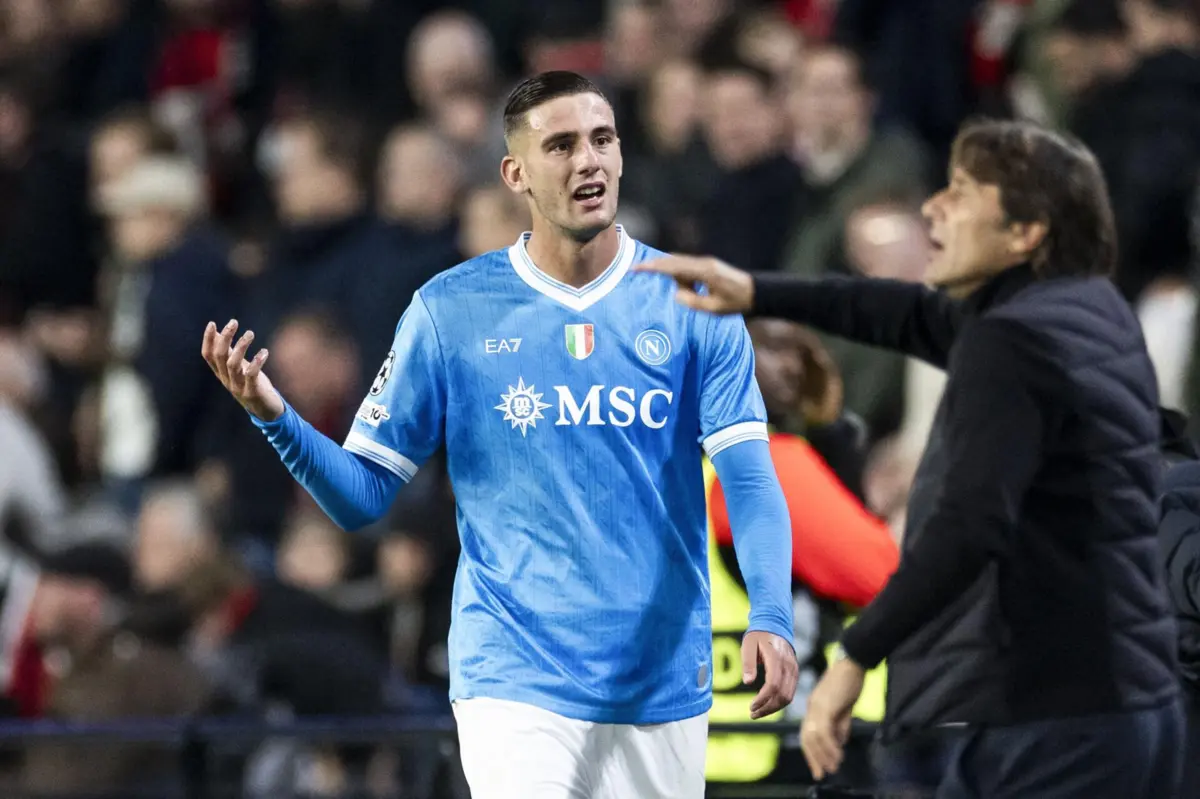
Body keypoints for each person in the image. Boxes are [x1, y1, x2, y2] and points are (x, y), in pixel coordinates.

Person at [200, 70, 798, 799]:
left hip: (661, 671)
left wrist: (770, 612)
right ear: (515, 172)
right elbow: (362, 496)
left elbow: (748, 474)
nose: (589, 161)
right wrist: (276, 417)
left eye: (603, 139)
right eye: (562, 145)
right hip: (514, 672)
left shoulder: (692, 304)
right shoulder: (450, 312)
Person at [637, 118, 1183, 798]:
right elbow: (901, 313)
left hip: (1045, 720)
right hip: (1133, 705)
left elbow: (970, 524)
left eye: (960, 191)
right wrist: (756, 290)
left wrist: (855, 659)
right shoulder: (1088, 314)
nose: (932, 207)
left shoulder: (1011, 342)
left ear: (1025, 233)